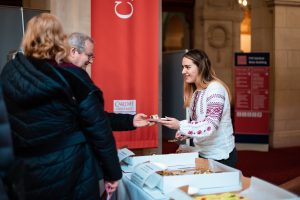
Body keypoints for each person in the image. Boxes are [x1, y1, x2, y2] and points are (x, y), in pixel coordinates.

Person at [1, 13, 121, 200]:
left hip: (26, 171)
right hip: (71, 169)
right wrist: (112, 172)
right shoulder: (72, 75)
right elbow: (99, 128)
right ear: (60, 40)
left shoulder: (8, 74)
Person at [59, 32, 153, 197]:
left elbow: (97, 119)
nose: (90, 61)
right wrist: (113, 173)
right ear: (73, 51)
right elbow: (99, 129)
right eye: (89, 56)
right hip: (76, 166)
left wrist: (131, 120)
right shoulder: (77, 80)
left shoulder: (53, 76)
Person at [158, 49, 237, 167]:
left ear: (200, 67)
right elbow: (200, 123)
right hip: (202, 153)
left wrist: (180, 125)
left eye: (187, 67)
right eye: (182, 67)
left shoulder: (215, 88)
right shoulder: (195, 92)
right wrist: (186, 132)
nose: (183, 71)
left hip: (220, 156)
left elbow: (210, 126)